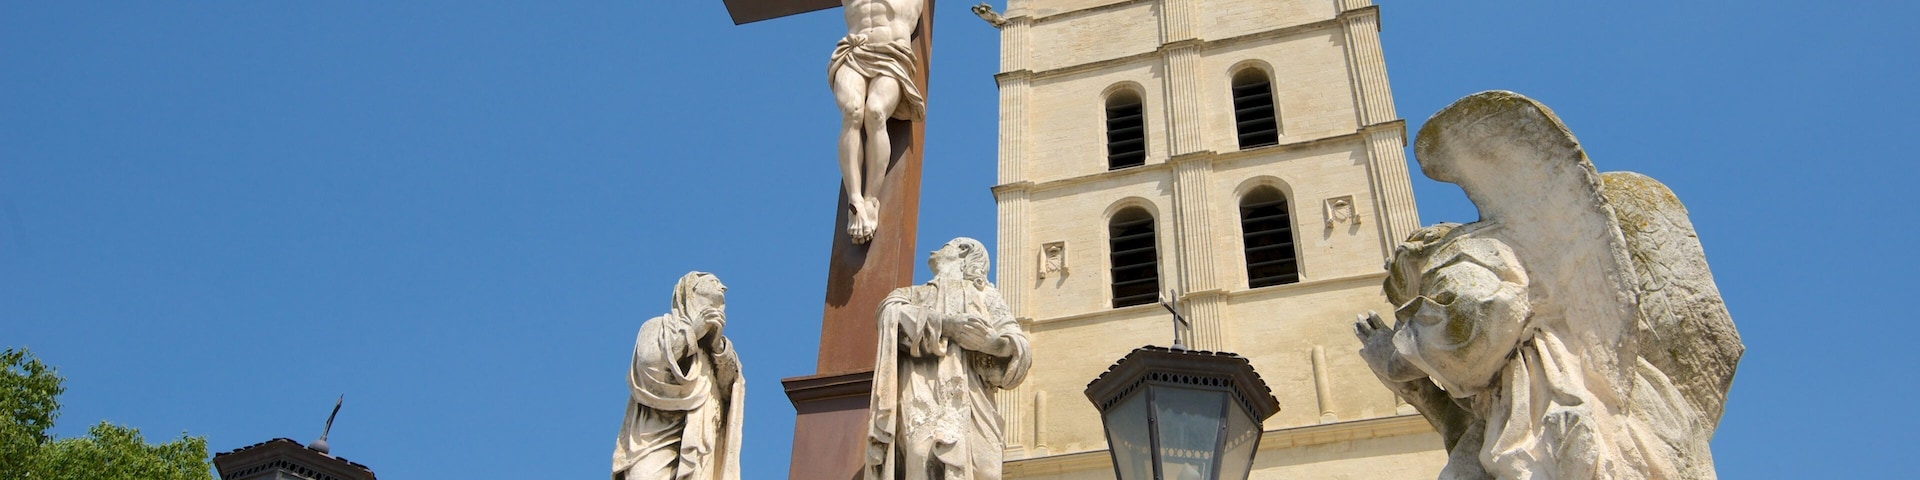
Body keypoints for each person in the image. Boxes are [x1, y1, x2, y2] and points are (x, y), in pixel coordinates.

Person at [865, 238, 1030, 480]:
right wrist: (946, 325)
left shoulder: (986, 296)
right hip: (922, 391)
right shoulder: (911, 295)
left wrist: (992, 344)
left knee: (984, 469)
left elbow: (1020, 346)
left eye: (944, 246)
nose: (933, 250)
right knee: (923, 458)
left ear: (963, 251)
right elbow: (889, 314)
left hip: (973, 398)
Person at [612, 272, 744, 480]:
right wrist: (692, 333)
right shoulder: (657, 327)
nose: (723, 287)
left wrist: (717, 347)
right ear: (692, 290)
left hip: (701, 435)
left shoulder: (718, 348)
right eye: (714, 282)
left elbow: (731, 389)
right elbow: (648, 364)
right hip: (653, 435)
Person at [830, 0, 928, 244]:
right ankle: (855, 200)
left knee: (875, 111)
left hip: (893, 52)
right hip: (853, 50)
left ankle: (871, 199)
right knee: (852, 111)